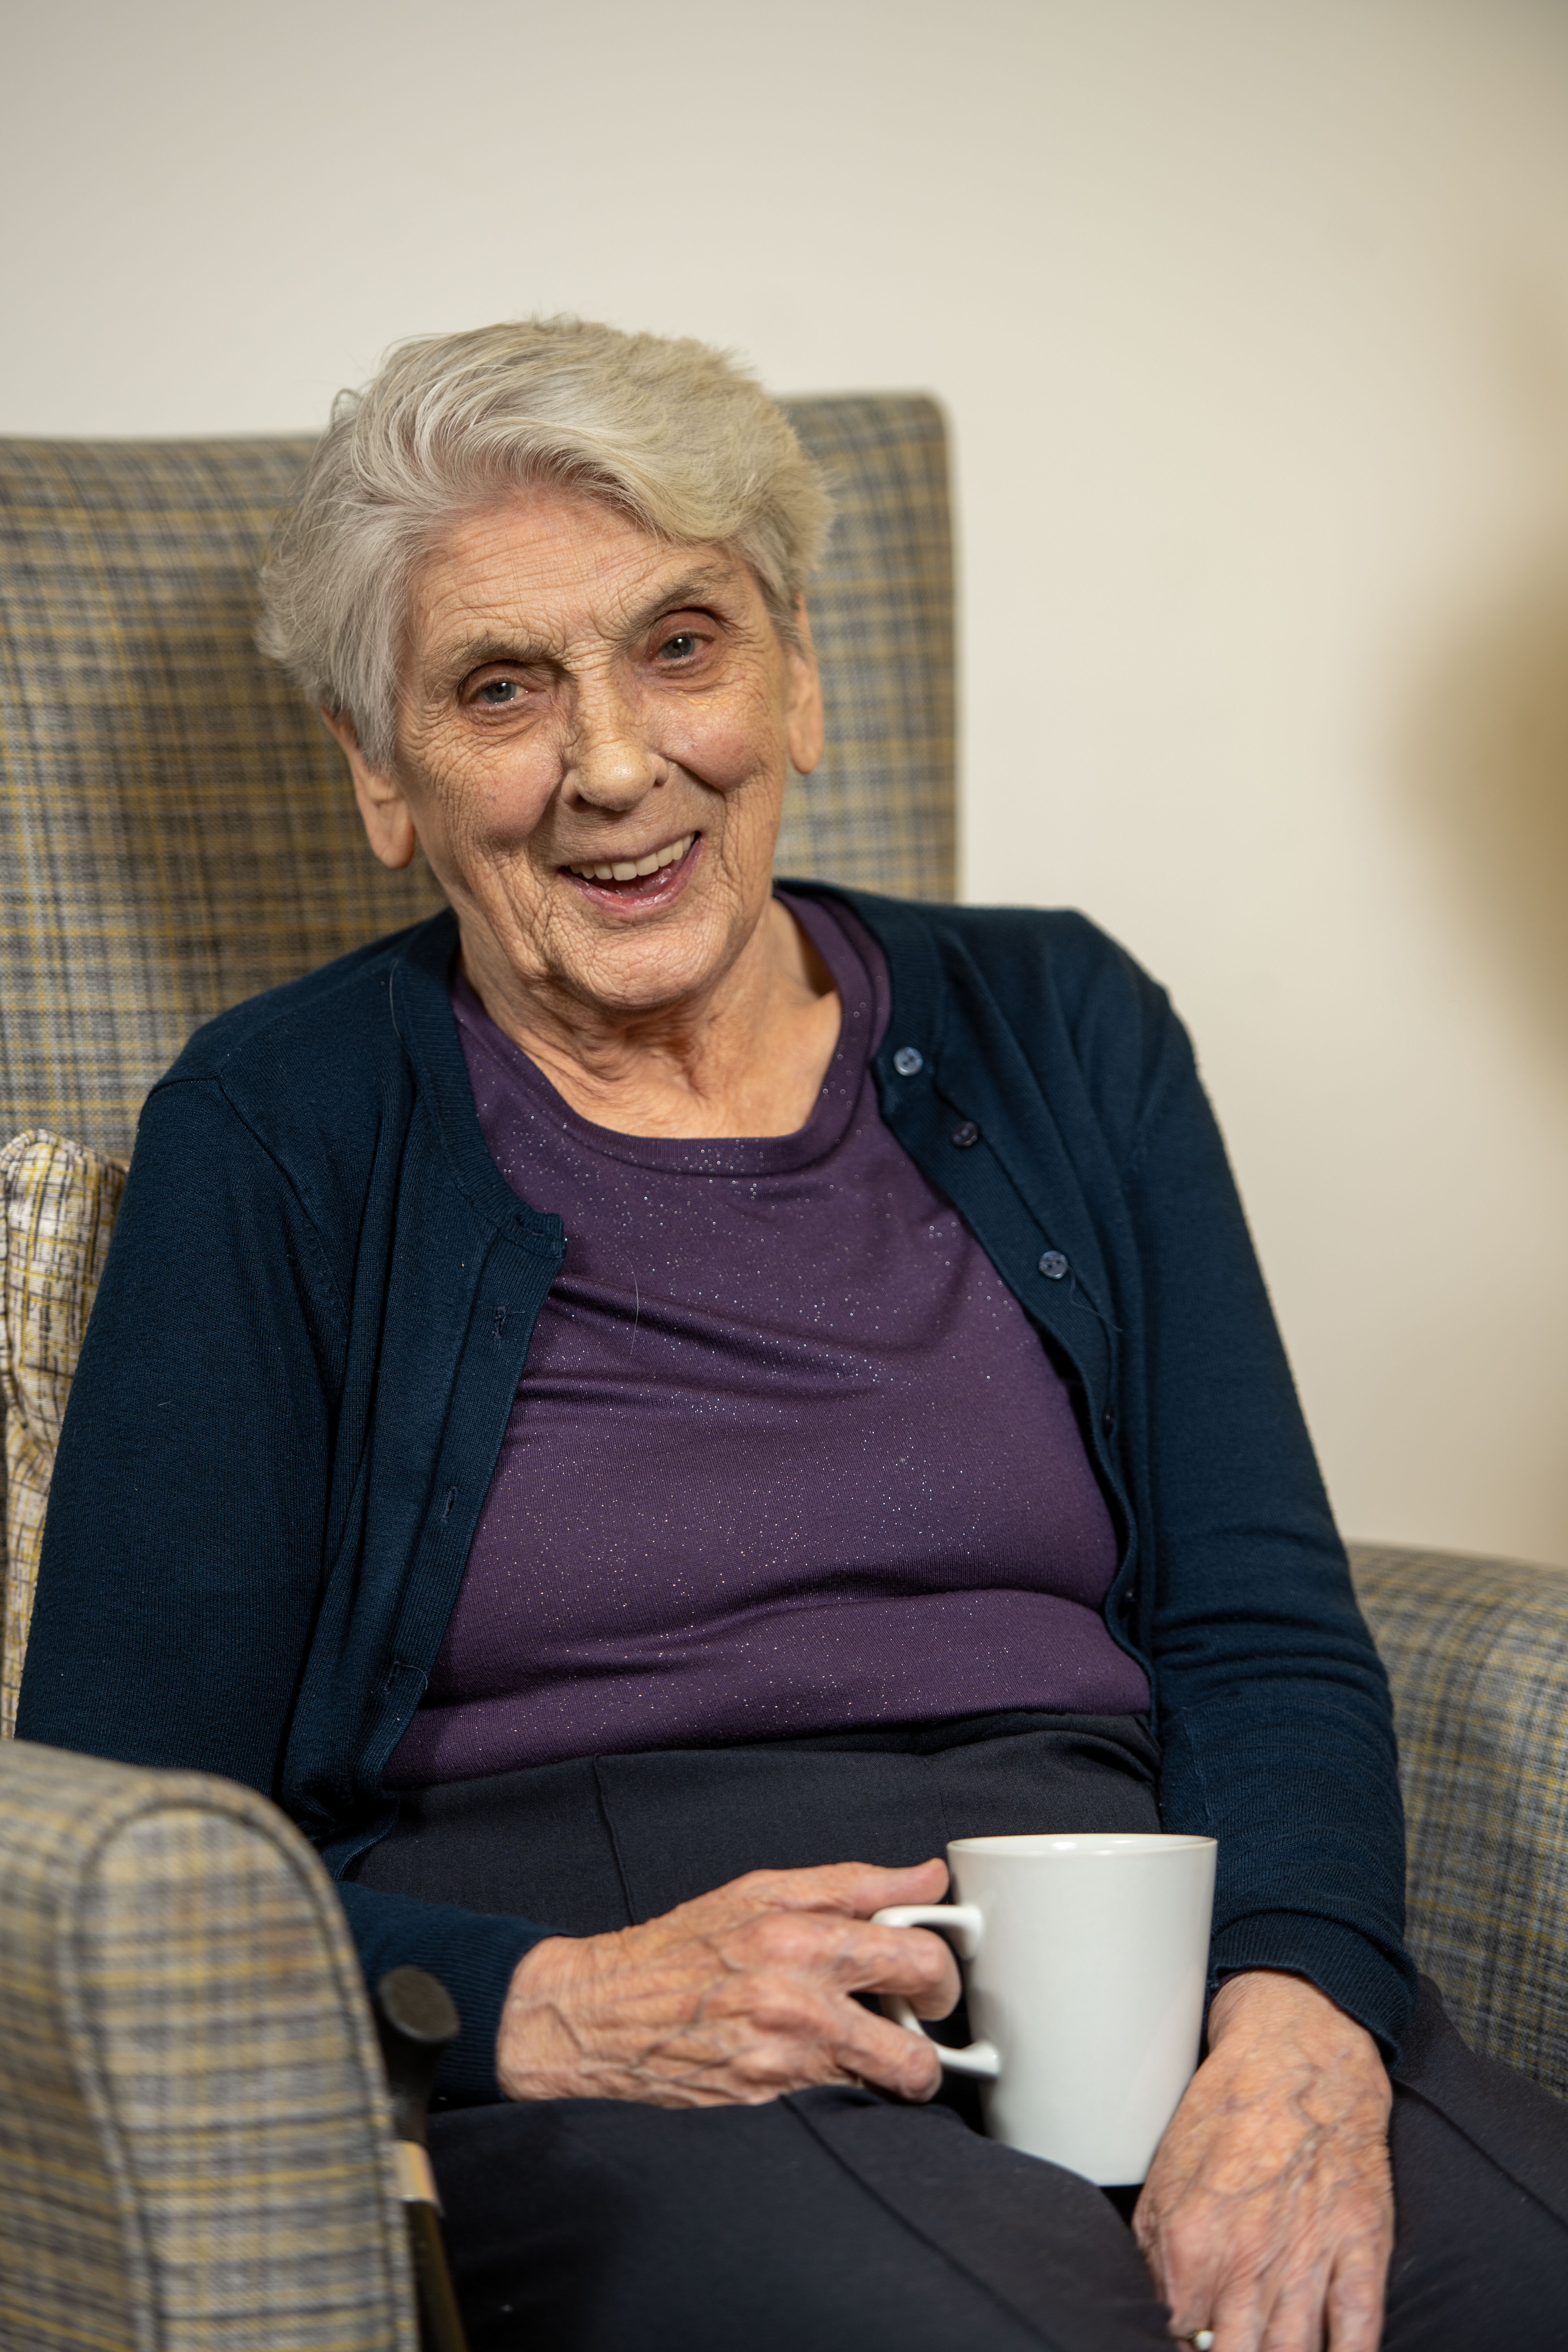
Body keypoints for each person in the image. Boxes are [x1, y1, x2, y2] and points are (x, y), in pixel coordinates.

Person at [18, 319, 1568, 2352]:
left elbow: (1257, 1622)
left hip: (1122, 1944)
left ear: (799, 674)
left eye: (681, 642)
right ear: (382, 779)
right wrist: (543, 1998)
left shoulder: (1062, 1023)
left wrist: (1294, 2023)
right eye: (501, 687)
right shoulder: (283, 1125)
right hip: (637, 1974)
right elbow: (128, 1820)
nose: (612, 762)